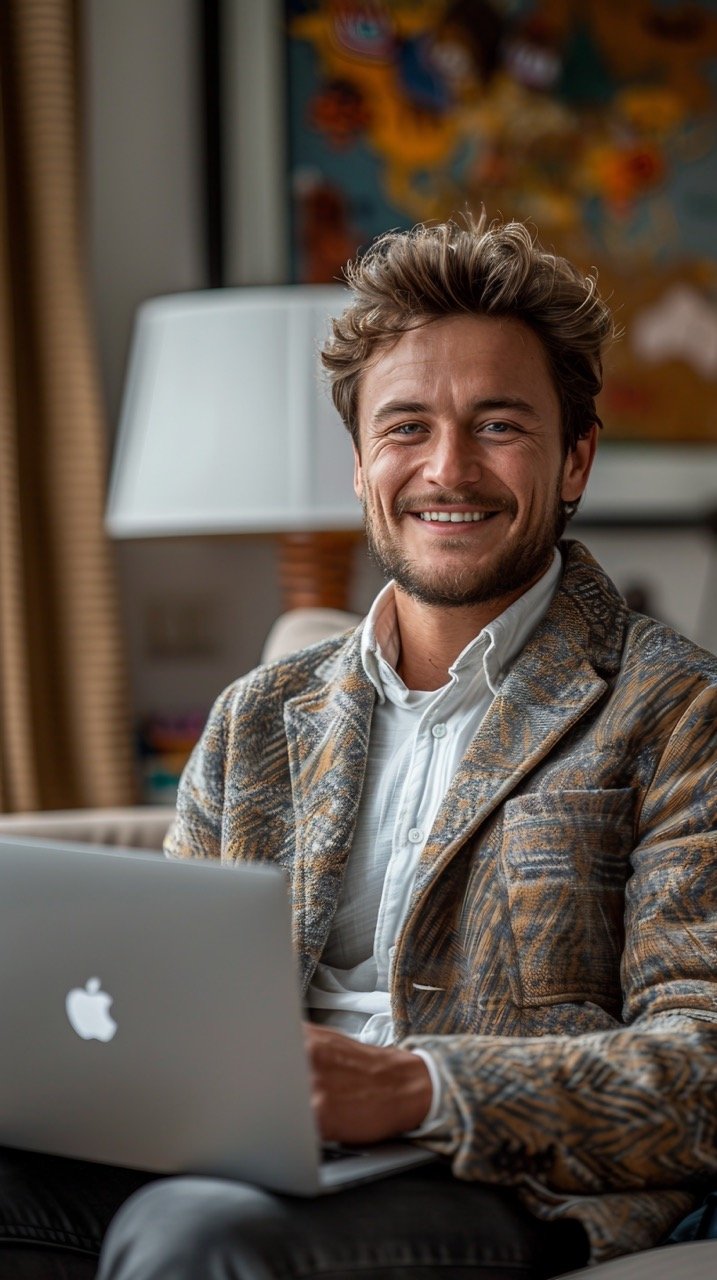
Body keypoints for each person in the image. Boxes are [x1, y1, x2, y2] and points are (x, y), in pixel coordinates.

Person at [0, 217, 714, 1280]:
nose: (448, 467)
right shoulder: (256, 718)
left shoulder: (674, 710)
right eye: (407, 426)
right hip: (257, 1157)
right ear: (362, 463)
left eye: (500, 425)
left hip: (507, 1180)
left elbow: (700, 1065)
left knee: (199, 1238)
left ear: (576, 459)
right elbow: (165, 1006)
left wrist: (415, 1083)